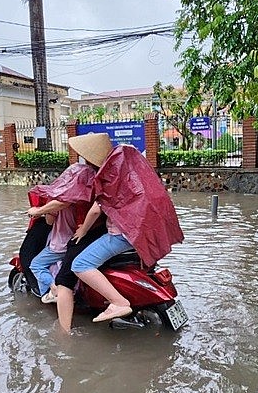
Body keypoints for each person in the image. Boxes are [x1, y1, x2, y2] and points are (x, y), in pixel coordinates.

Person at [68, 132, 184, 323]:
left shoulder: (109, 174)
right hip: (138, 234)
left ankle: (118, 302)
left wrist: (83, 230)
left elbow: (96, 210)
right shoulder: (127, 168)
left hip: (120, 236)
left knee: (80, 265)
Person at [25, 163, 99, 331]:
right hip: (83, 240)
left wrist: (40, 210)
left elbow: (50, 222)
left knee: (36, 264)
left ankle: (53, 291)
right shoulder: (89, 195)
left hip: (61, 243)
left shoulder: (60, 200)